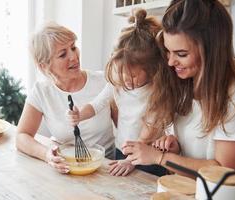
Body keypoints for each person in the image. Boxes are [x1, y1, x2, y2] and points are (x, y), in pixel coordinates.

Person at [122, 0, 235, 198]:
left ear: (212, 50)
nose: (170, 61)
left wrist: (160, 157)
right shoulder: (186, 84)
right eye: (168, 51)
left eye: (181, 54)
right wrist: (177, 149)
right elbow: (196, 154)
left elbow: (224, 175)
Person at [67, 9, 176, 177]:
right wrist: (80, 114)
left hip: (148, 155)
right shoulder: (117, 83)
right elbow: (97, 105)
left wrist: (131, 160)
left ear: (152, 68)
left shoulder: (157, 91)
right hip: (122, 150)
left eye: (132, 75)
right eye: (121, 71)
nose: (126, 79)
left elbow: (149, 131)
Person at [16, 22, 115, 174]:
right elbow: (22, 136)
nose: (74, 57)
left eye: (73, 47)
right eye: (63, 54)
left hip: (107, 169)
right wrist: (46, 154)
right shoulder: (42, 92)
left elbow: (125, 127)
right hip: (68, 169)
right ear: (44, 66)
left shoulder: (105, 81)